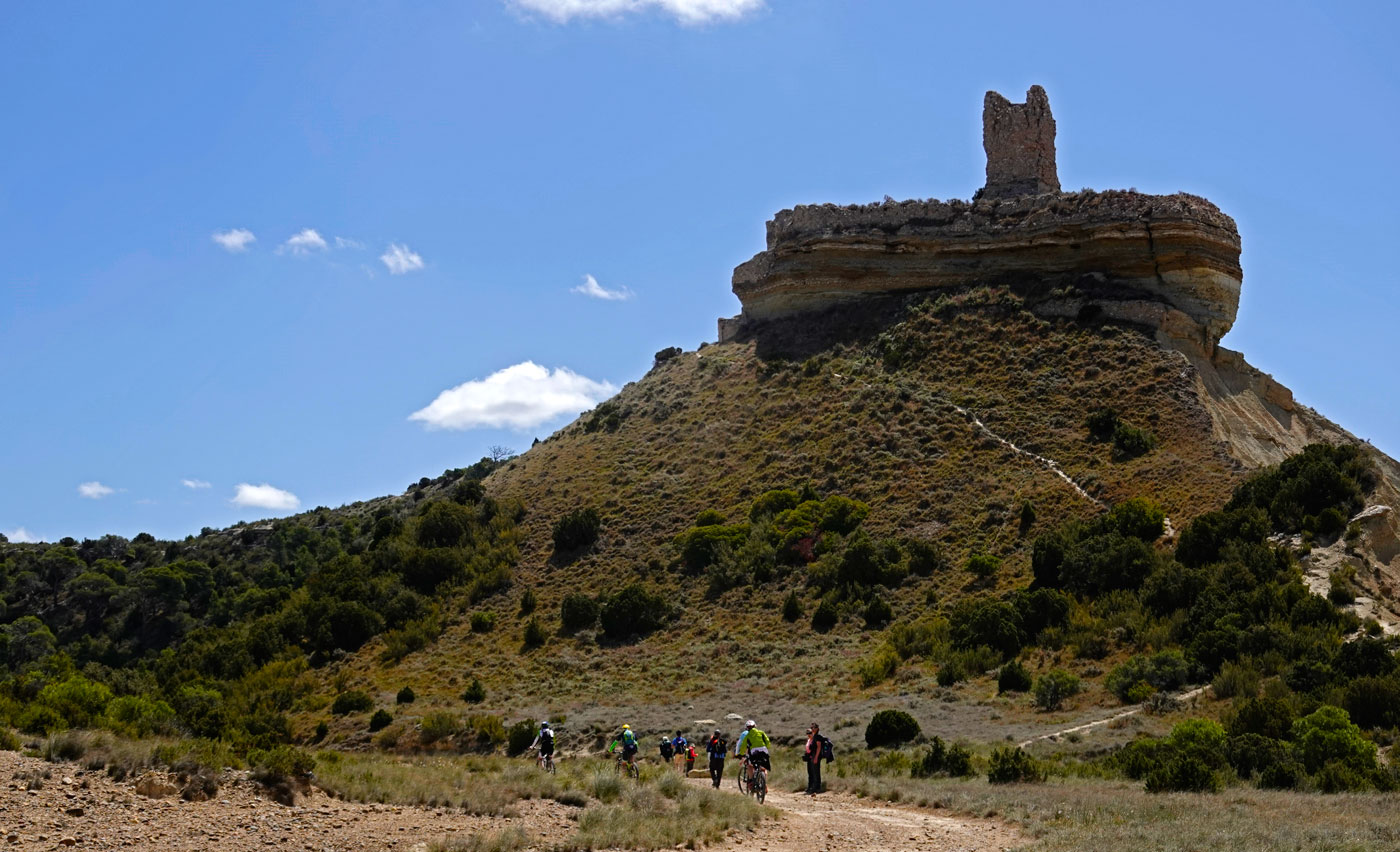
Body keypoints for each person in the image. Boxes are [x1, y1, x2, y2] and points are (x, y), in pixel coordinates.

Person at [803, 722, 828, 795]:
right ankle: (814, 787)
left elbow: (819, 747)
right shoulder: (815, 736)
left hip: (816, 755)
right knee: (813, 772)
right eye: (811, 728)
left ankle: (817, 787)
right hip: (813, 755)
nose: (812, 729)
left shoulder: (818, 737)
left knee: (816, 772)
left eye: (813, 728)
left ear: (817, 728)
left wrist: (816, 757)